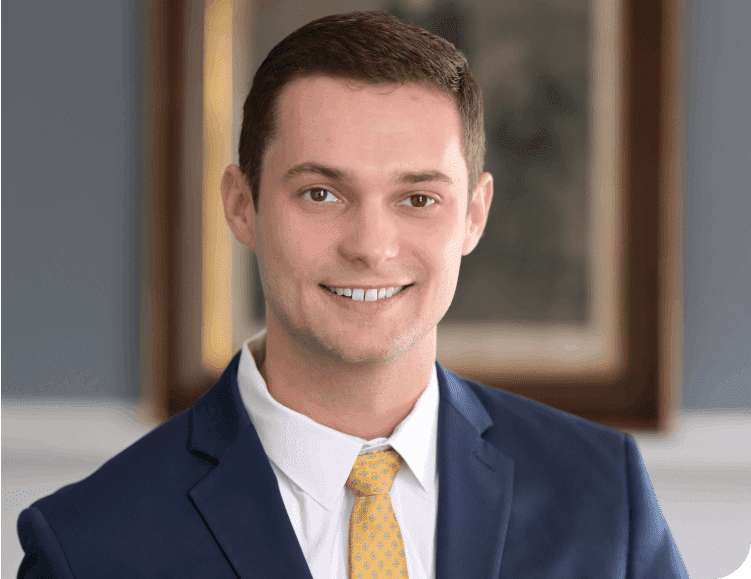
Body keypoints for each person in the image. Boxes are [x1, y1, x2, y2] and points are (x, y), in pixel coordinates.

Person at [17, 11, 688, 578]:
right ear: (241, 205)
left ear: (474, 215)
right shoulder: (89, 546)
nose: (370, 245)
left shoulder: (603, 499)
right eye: (320, 193)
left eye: (418, 197)